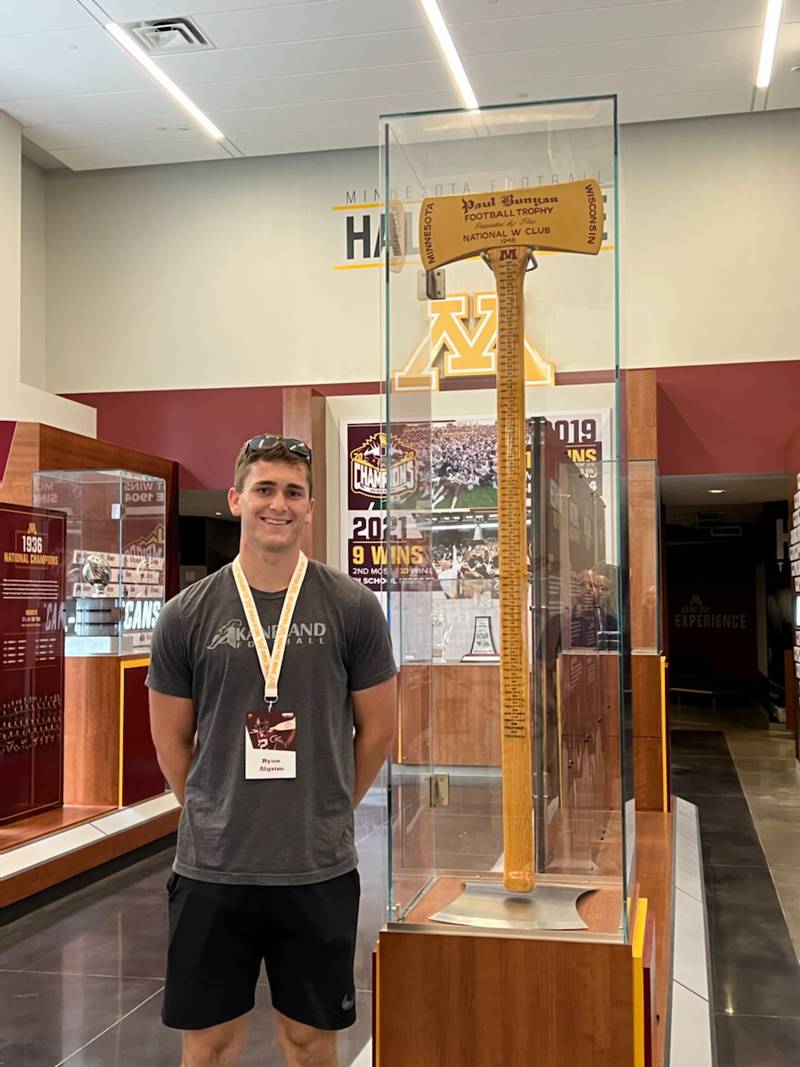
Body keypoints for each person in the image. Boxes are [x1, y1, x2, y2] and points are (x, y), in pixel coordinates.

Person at [147, 434, 397, 1067]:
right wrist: (211, 809)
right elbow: (171, 741)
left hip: (317, 869)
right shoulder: (185, 615)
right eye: (264, 489)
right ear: (236, 499)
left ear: (311, 506)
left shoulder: (353, 607)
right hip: (212, 870)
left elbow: (378, 732)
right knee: (207, 1047)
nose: (277, 504)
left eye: (292, 492)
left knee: (311, 1043)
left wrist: (330, 808)